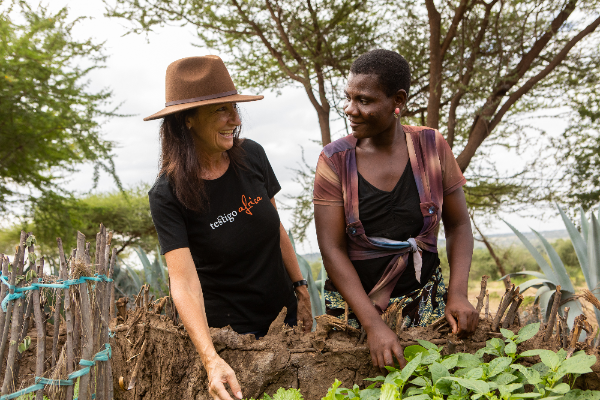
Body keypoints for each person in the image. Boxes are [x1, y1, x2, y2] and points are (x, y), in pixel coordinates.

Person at [146, 55, 312, 400]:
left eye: (234, 108)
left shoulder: (251, 155)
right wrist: (211, 359)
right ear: (187, 120)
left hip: (285, 321)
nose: (235, 120)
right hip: (232, 340)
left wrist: (301, 287)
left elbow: (276, 229)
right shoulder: (168, 194)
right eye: (220, 110)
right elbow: (184, 282)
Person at [313, 49, 478, 371]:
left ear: (397, 99)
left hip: (426, 297)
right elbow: (331, 249)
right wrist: (374, 326)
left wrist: (457, 294)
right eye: (348, 98)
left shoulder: (431, 146)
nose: (351, 109)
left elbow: (458, 226)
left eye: (364, 100)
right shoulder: (334, 161)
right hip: (356, 309)